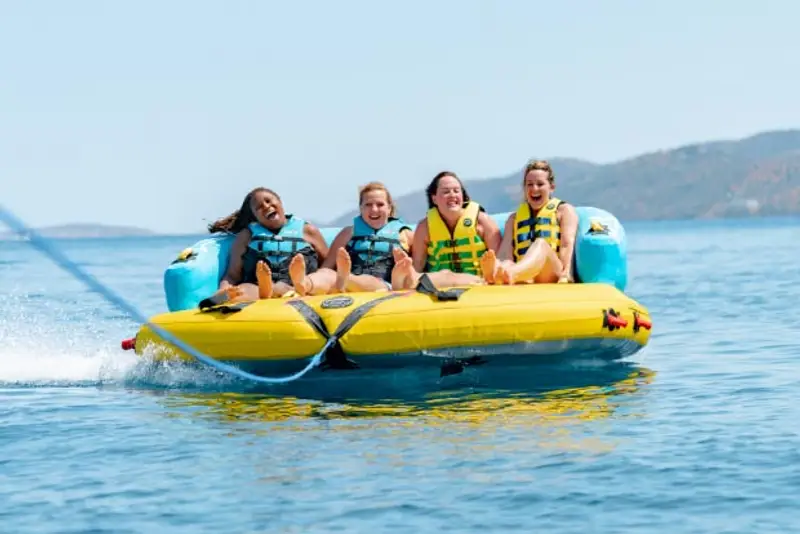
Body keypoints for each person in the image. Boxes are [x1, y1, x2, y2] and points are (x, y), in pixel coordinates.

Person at [200, 187, 336, 306]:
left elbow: (328, 266)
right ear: (255, 216)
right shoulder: (247, 235)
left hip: (301, 288)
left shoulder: (307, 231)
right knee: (243, 289)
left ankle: (293, 286)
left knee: (324, 277)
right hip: (258, 289)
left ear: (280, 201)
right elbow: (232, 275)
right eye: (259, 207)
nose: (266, 206)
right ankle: (254, 292)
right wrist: (223, 289)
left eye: (268, 200)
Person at [391, 171, 502, 290]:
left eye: (456, 191)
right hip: (438, 284)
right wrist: (410, 269)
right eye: (446, 192)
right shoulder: (424, 227)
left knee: (447, 275)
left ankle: (489, 275)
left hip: (478, 281)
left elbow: (501, 259)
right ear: (434, 198)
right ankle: (405, 277)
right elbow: (418, 265)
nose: (452, 195)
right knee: (437, 276)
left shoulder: (483, 222)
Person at [479, 159, 579, 285]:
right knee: (506, 262)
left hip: (551, 272)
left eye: (540, 184)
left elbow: (567, 244)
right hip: (525, 276)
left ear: (551, 187)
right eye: (529, 184)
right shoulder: (514, 219)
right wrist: (501, 264)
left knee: (541, 244)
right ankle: (495, 276)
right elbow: (505, 253)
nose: (534, 188)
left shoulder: (564, 210)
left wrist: (566, 273)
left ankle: (511, 273)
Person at [323, 182, 414, 293]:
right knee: (326, 274)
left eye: (380, 205)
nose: (374, 209)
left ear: (389, 208)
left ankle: (345, 279)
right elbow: (326, 267)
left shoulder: (406, 235)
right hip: (349, 288)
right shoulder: (347, 233)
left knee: (375, 283)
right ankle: (306, 284)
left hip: (384, 287)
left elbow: (417, 271)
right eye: (368, 205)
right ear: (361, 208)